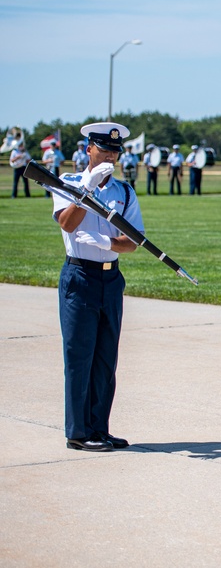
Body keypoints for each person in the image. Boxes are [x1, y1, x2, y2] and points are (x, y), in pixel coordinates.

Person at [52, 122, 143, 452]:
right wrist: (85, 190)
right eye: (103, 150)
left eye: (115, 151)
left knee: (106, 357)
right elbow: (67, 222)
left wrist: (108, 242)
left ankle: (99, 428)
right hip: (80, 277)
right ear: (88, 149)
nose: (110, 156)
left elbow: (133, 241)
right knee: (80, 356)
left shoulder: (125, 192)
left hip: (110, 277)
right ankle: (78, 431)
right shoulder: (67, 183)